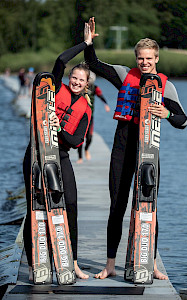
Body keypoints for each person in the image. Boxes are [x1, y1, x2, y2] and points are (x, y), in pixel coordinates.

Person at [84, 17, 187, 280]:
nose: (145, 63)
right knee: (116, 206)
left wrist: (165, 113)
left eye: (149, 58)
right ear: (136, 59)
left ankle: (151, 263)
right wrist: (88, 42)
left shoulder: (166, 86)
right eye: (141, 58)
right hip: (121, 148)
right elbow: (94, 64)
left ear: (157, 59)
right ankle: (109, 264)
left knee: (149, 207)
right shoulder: (123, 74)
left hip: (148, 153)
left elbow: (183, 120)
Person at [23, 23, 93, 280]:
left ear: (87, 85)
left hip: (60, 154)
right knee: (35, 206)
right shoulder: (55, 88)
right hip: (37, 152)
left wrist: (58, 128)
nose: (75, 81)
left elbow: (75, 141)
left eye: (81, 80)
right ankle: (35, 266)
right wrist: (85, 45)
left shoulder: (86, 109)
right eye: (74, 77)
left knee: (71, 203)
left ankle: (71, 262)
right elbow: (61, 60)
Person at [77, 71, 110, 164]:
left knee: (89, 137)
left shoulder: (95, 88)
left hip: (90, 116)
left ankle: (86, 149)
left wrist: (106, 105)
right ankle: (80, 157)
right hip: (79, 117)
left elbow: (101, 96)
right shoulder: (80, 87)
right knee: (80, 137)